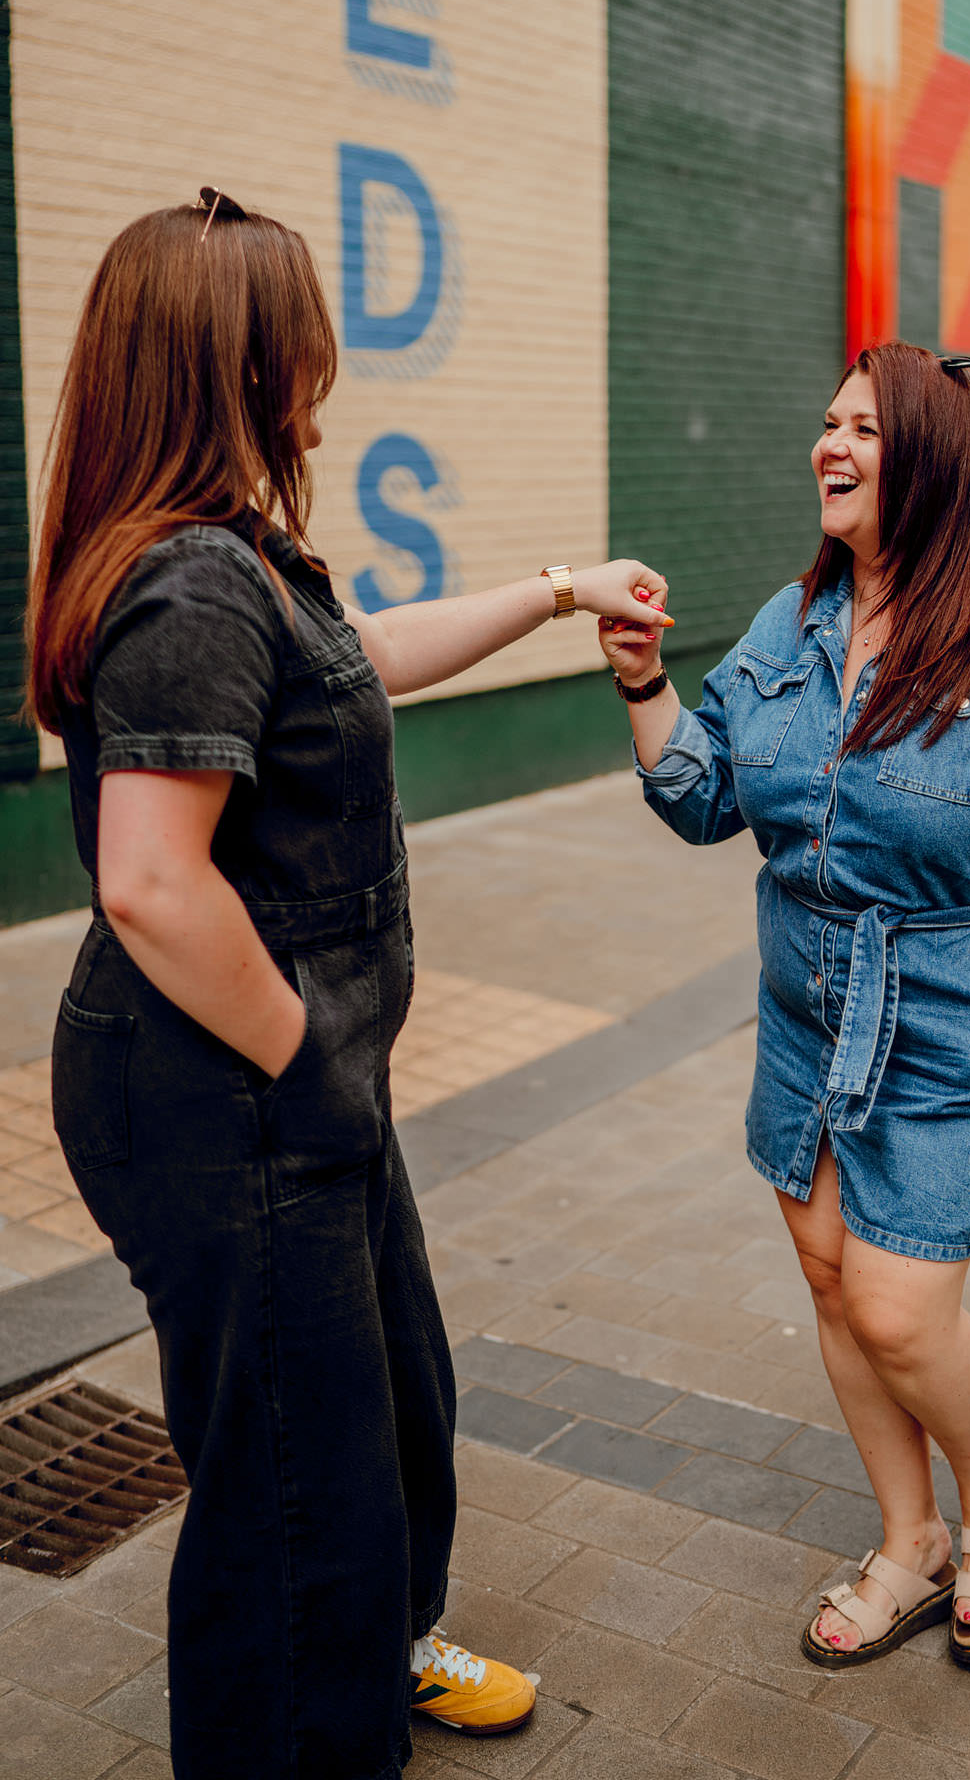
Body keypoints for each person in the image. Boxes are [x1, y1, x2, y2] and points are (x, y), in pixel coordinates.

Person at [25, 189, 671, 1780]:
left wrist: (552, 590)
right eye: (301, 338)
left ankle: (377, 1650)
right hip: (224, 1094)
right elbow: (150, 883)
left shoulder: (244, 560)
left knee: (389, 1404)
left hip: (293, 1087)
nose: (322, 366)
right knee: (292, 1487)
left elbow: (359, 654)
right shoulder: (182, 587)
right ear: (235, 360)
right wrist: (307, 1062)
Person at [598, 340, 970, 1669]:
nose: (827, 444)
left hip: (957, 1023)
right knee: (833, 1284)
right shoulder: (791, 624)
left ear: (937, 463)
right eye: (826, 420)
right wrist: (638, 679)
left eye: (863, 426)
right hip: (804, 1009)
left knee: (902, 1308)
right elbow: (699, 799)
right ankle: (906, 1541)